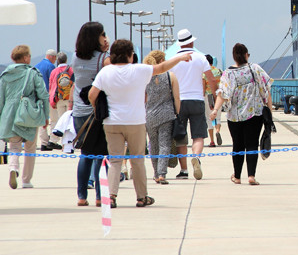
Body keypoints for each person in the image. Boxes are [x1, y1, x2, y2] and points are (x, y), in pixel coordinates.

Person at [89, 39, 191, 208]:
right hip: (135, 121)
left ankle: (112, 196)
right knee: (137, 159)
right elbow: (162, 68)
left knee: (115, 160)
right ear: (130, 55)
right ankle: (142, 197)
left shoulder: (105, 72)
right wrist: (180, 58)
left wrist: (98, 109)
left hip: (112, 122)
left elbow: (92, 95)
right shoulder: (139, 70)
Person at [211, 43, 272, 185]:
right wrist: (269, 111)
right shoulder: (255, 69)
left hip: (234, 116)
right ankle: (251, 176)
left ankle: (237, 176)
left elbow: (222, 94)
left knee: (237, 145)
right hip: (255, 114)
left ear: (234, 57)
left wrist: (215, 110)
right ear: (246, 55)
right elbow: (267, 89)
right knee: (252, 145)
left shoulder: (228, 73)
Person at [71, 22, 111, 206]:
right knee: (101, 154)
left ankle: (81, 196)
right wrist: (107, 47)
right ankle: (99, 196)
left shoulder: (75, 58)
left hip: (79, 110)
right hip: (97, 111)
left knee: (86, 153)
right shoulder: (104, 58)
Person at [169, 29, 217, 180]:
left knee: (181, 136)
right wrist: (214, 97)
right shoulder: (201, 58)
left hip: (179, 101)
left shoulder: (174, 59)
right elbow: (211, 79)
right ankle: (196, 157)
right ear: (191, 42)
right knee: (198, 135)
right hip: (197, 100)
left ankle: (183, 170)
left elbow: (168, 80)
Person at [0, 45, 50, 189]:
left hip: (9, 113)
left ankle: (13, 168)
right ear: (26, 57)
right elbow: (44, 95)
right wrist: (46, 116)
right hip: (28, 113)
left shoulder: (5, 75)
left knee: (14, 146)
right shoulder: (33, 73)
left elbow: (0, 99)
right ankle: (26, 180)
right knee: (30, 147)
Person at [143, 50, 180, 185]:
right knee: (165, 144)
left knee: (153, 144)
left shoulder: (146, 78)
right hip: (167, 114)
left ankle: (155, 173)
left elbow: (143, 98)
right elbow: (176, 97)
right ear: (161, 61)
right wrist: (177, 112)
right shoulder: (171, 76)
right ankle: (162, 174)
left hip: (150, 115)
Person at [35, 49, 61, 151]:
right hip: (48, 97)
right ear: (52, 57)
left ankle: (43, 142)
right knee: (54, 119)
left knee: (42, 121)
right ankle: (52, 141)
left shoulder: (37, 66)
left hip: (38, 97)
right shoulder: (50, 67)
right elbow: (53, 83)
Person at [48, 52, 73, 138]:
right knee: (69, 121)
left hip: (59, 99)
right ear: (66, 60)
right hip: (69, 99)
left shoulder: (54, 71)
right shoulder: (71, 70)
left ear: (58, 60)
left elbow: (51, 87)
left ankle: (60, 141)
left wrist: (52, 101)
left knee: (61, 121)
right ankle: (68, 141)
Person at [203, 54, 222, 147]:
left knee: (209, 118)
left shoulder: (204, 73)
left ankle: (212, 141)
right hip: (218, 96)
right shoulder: (218, 71)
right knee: (217, 117)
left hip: (208, 96)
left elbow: (203, 87)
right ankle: (217, 131)